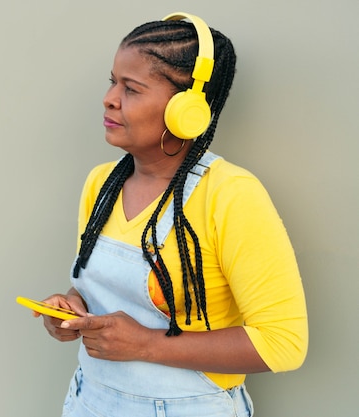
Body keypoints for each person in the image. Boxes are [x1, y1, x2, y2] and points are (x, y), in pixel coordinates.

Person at [32, 12, 308, 417]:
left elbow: (284, 342)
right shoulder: (101, 183)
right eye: (113, 82)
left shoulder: (230, 195)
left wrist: (146, 344)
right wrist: (73, 309)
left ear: (188, 110)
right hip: (89, 399)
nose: (110, 98)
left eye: (132, 88)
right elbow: (104, 292)